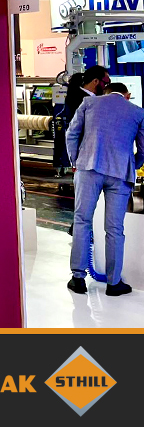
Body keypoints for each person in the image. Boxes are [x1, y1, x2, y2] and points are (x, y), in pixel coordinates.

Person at [65, 86, 144, 296]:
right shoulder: (137, 112)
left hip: (88, 167)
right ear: (127, 96)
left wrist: (76, 161)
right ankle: (113, 283)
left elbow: (71, 133)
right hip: (120, 174)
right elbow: (143, 148)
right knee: (115, 229)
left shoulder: (89, 103)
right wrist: (132, 165)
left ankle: (78, 279)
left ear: (105, 93)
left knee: (82, 221)